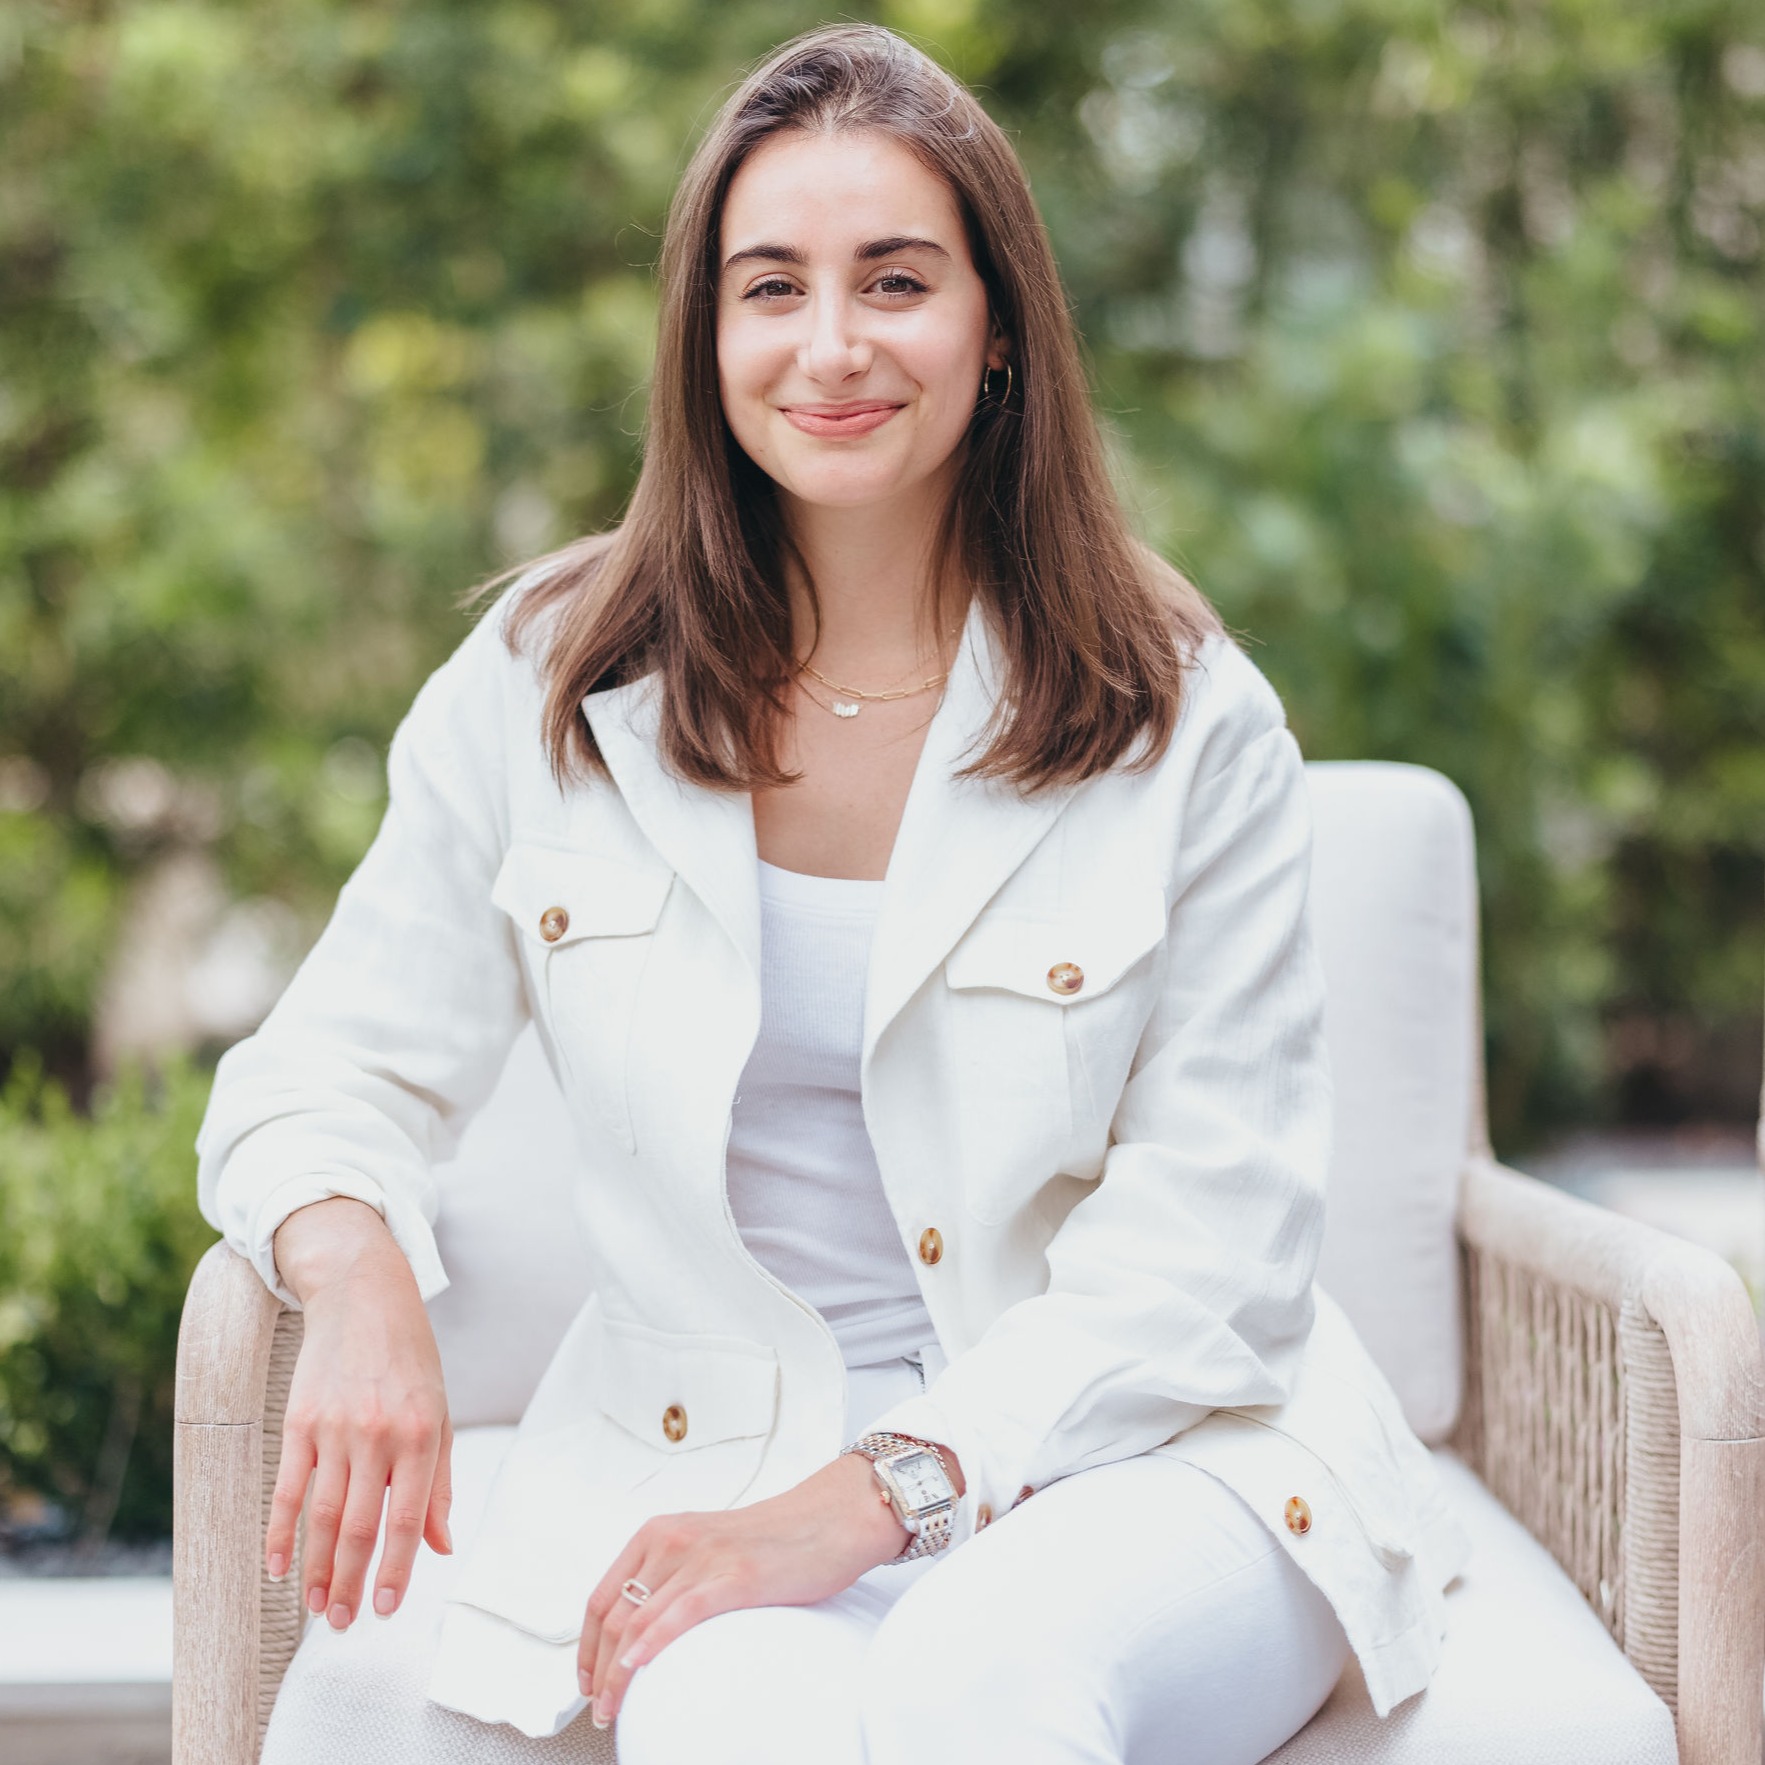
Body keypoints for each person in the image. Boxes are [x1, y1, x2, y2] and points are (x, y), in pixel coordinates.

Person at [195, 22, 1469, 1765]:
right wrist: (353, 1280)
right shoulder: (546, 688)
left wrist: (867, 1501)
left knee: (975, 1683)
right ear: (705, 334)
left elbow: (1215, 1251)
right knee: (715, 1709)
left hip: (1158, 1457)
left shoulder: (1179, 712)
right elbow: (313, 1075)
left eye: (896, 280)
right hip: (711, 1459)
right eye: (770, 287)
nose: (832, 345)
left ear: (997, 323)